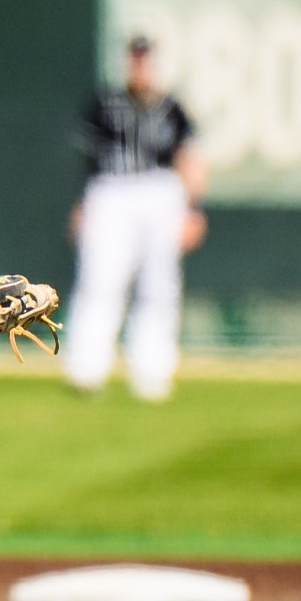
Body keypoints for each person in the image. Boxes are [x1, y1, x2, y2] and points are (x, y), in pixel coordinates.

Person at [63, 34, 208, 402]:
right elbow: (90, 161)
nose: (140, 67)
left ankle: (153, 372)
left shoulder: (172, 107)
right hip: (112, 190)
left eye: (146, 60)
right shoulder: (104, 104)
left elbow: (188, 157)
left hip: (160, 191)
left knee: (159, 284)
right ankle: (86, 369)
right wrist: (84, 204)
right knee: (100, 279)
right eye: (135, 59)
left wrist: (193, 208)